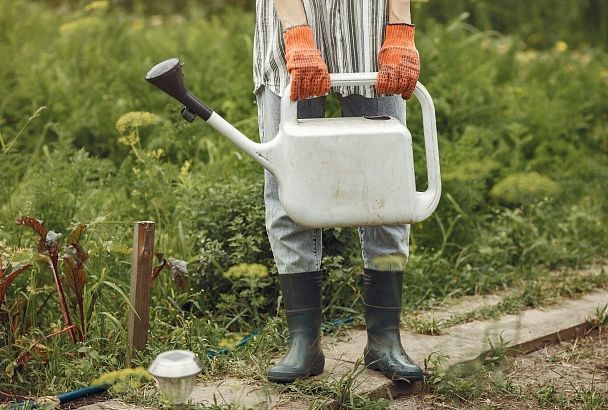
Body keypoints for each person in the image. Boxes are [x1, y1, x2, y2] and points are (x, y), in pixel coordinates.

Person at [254, 0, 422, 383]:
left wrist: (400, 28)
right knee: (288, 183)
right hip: (289, 26)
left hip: (372, 29)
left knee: (388, 185)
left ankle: (385, 339)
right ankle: (304, 344)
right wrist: (296, 32)